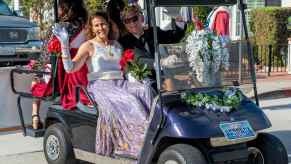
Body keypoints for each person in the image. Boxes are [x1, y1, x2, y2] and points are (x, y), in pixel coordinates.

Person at [52, 12, 153, 160]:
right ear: (92, 28)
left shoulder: (117, 44)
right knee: (130, 100)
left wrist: (137, 78)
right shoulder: (88, 46)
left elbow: (124, 69)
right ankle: (136, 146)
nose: (101, 28)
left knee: (146, 90)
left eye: (103, 24)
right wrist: (64, 44)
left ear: (108, 25)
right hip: (100, 86)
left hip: (121, 83)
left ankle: (155, 134)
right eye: (97, 25)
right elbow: (70, 68)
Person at [30, 0, 89, 129]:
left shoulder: (58, 27)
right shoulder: (86, 24)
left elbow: (45, 53)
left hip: (60, 73)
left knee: (36, 77)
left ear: (64, 8)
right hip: (82, 68)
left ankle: (35, 115)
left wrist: (37, 72)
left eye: (59, 7)